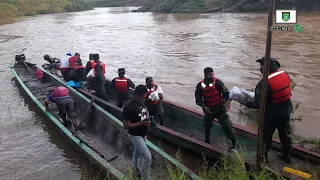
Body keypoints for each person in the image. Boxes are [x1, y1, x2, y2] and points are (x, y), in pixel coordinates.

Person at [245, 57, 293, 164]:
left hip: (271, 115)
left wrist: (247, 103)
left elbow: (258, 103)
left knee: (266, 136)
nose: (260, 68)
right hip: (286, 111)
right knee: (285, 134)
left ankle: (263, 158)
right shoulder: (285, 74)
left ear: (266, 68)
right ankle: (286, 155)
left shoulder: (264, 83)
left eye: (261, 66)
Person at [195, 67, 236, 149]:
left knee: (227, 126)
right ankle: (207, 139)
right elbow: (198, 99)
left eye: (213, 74)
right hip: (208, 110)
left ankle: (234, 143)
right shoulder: (200, 85)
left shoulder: (218, 83)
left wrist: (226, 102)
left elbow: (226, 94)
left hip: (220, 109)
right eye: (209, 75)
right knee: (207, 125)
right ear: (205, 75)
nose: (212, 76)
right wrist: (204, 106)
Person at [123, 85, 152, 180]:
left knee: (137, 154)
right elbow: (126, 125)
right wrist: (141, 123)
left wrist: (147, 118)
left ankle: (135, 171)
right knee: (147, 157)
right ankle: (144, 178)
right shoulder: (129, 107)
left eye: (145, 96)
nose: (145, 98)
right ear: (137, 95)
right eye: (143, 96)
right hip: (135, 135)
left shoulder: (141, 102)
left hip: (143, 133)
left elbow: (146, 110)